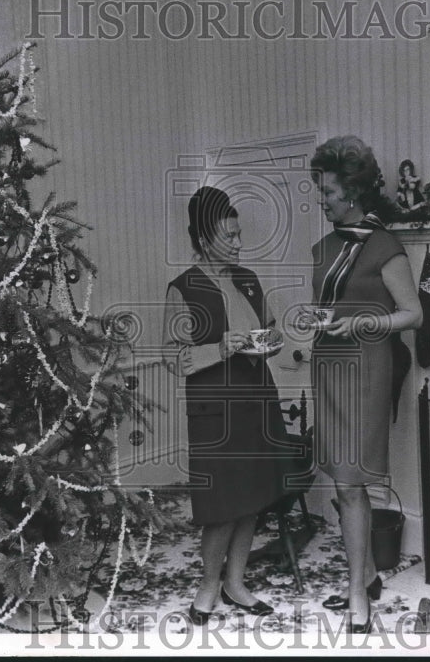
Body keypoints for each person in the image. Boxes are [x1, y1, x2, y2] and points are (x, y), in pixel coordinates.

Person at [304, 136, 423, 633]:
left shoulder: (384, 246)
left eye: (328, 191)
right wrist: (320, 320)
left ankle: (357, 593)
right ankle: (368, 573)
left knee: (351, 485)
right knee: (340, 478)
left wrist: (358, 324)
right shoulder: (324, 247)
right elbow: (336, 309)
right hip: (329, 369)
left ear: (352, 191)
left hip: (367, 371)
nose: (322, 199)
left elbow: (412, 315)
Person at [162, 186, 290, 624]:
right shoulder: (182, 289)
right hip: (215, 414)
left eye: (238, 234)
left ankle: (236, 584)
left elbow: (271, 334)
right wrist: (220, 348)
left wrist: (269, 344)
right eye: (229, 236)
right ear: (202, 239)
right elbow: (173, 359)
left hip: (256, 404)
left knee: (252, 500)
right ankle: (207, 586)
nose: (238, 243)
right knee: (220, 509)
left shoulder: (248, 280)